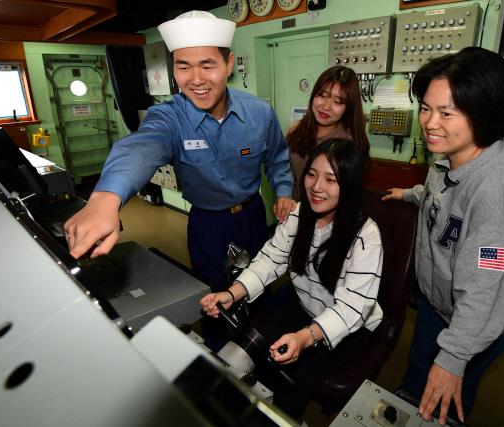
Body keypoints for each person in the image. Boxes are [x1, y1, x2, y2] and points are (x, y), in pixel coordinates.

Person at [63, 11, 295, 292]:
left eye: (207, 65)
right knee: (213, 292)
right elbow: (141, 146)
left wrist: (283, 190)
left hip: (252, 216)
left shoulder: (260, 112)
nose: (196, 79)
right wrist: (105, 198)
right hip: (207, 223)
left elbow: (277, 158)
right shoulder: (168, 117)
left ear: (229, 64)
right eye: (183, 67)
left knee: (260, 282)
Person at [382, 47, 504, 425]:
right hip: (439, 306)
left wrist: (454, 357)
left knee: (447, 397)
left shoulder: (498, 193)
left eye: (446, 113)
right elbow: (441, 196)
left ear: (484, 113)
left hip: (476, 319)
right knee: (418, 373)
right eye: (425, 108)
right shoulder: (448, 156)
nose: (429, 123)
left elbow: (487, 288)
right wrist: (407, 194)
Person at [200, 138, 383, 420]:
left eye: (331, 179)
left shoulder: (366, 237)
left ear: (349, 186)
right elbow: (271, 259)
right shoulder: (300, 214)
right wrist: (232, 293)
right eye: (312, 174)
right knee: (249, 345)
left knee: (294, 378)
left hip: (349, 325)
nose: (316, 187)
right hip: (306, 302)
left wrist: (306, 337)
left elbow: (351, 309)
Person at [286, 66, 370, 199]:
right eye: (322, 95)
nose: (326, 107)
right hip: (293, 212)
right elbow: (285, 173)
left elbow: (348, 196)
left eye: (337, 102)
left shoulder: (348, 144)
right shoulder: (296, 130)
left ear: (348, 108)